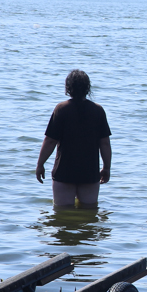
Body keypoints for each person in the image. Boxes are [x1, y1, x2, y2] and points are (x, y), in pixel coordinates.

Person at [36, 69, 112, 207]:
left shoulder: (61, 109)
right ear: (87, 88)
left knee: (63, 214)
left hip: (64, 172)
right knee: (89, 214)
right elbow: (105, 143)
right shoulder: (98, 110)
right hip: (89, 172)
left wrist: (40, 164)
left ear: (68, 88)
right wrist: (106, 168)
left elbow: (50, 140)